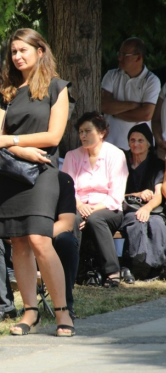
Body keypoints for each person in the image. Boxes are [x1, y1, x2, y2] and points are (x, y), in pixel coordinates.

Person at [0, 28, 75, 337]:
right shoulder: (7, 91)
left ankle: (63, 311)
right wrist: (22, 148)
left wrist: (10, 140)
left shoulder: (57, 87)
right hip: (12, 173)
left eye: (23, 50)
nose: (17, 56)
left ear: (40, 51)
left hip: (43, 174)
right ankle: (30, 312)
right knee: (19, 243)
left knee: (40, 240)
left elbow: (53, 136)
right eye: (13, 52)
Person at [0, 171, 79, 323]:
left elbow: (66, 223)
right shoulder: (10, 179)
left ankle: (65, 304)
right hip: (15, 241)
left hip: (47, 241)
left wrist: (37, 238)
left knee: (67, 240)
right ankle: (5, 306)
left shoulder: (61, 179)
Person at [62, 112, 128, 288]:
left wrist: (89, 210)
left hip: (107, 209)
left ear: (101, 133)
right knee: (72, 219)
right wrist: (80, 206)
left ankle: (112, 272)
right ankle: (72, 272)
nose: (83, 136)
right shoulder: (72, 156)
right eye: (81, 132)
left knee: (95, 219)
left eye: (88, 131)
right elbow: (68, 189)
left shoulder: (116, 155)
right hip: (79, 206)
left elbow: (115, 196)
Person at [119, 123, 166, 278]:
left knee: (157, 223)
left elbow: (158, 195)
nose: (136, 144)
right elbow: (115, 193)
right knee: (136, 221)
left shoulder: (157, 164)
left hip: (152, 209)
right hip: (128, 208)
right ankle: (132, 263)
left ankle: (156, 267)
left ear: (148, 144)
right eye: (132, 140)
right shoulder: (122, 163)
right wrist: (137, 194)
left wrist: (147, 208)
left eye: (140, 140)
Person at [102, 37, 160, 151]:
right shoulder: (112, 75)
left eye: (124, 55)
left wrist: (115, 112)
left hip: (138, 149)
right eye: (120, 53)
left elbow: (146, 114)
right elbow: (103, 105)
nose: (119, 58)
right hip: (108, 144)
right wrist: (133, 105)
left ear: (138, 57)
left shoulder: (151, 81)